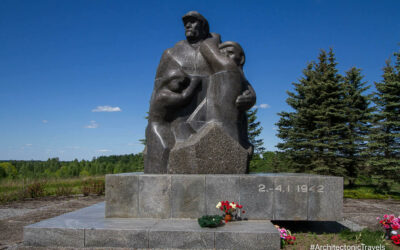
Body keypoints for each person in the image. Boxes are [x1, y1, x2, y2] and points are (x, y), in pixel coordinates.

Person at [144, 11, 256, 173]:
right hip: (180, 124)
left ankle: (230, 152)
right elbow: (158, 90)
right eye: (185, 23)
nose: (187, 25)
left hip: (219, 121)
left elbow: (238, 79)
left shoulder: (219, 49)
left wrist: (251, 97)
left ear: (204, 26)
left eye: (193, 22)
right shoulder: (171, 54)